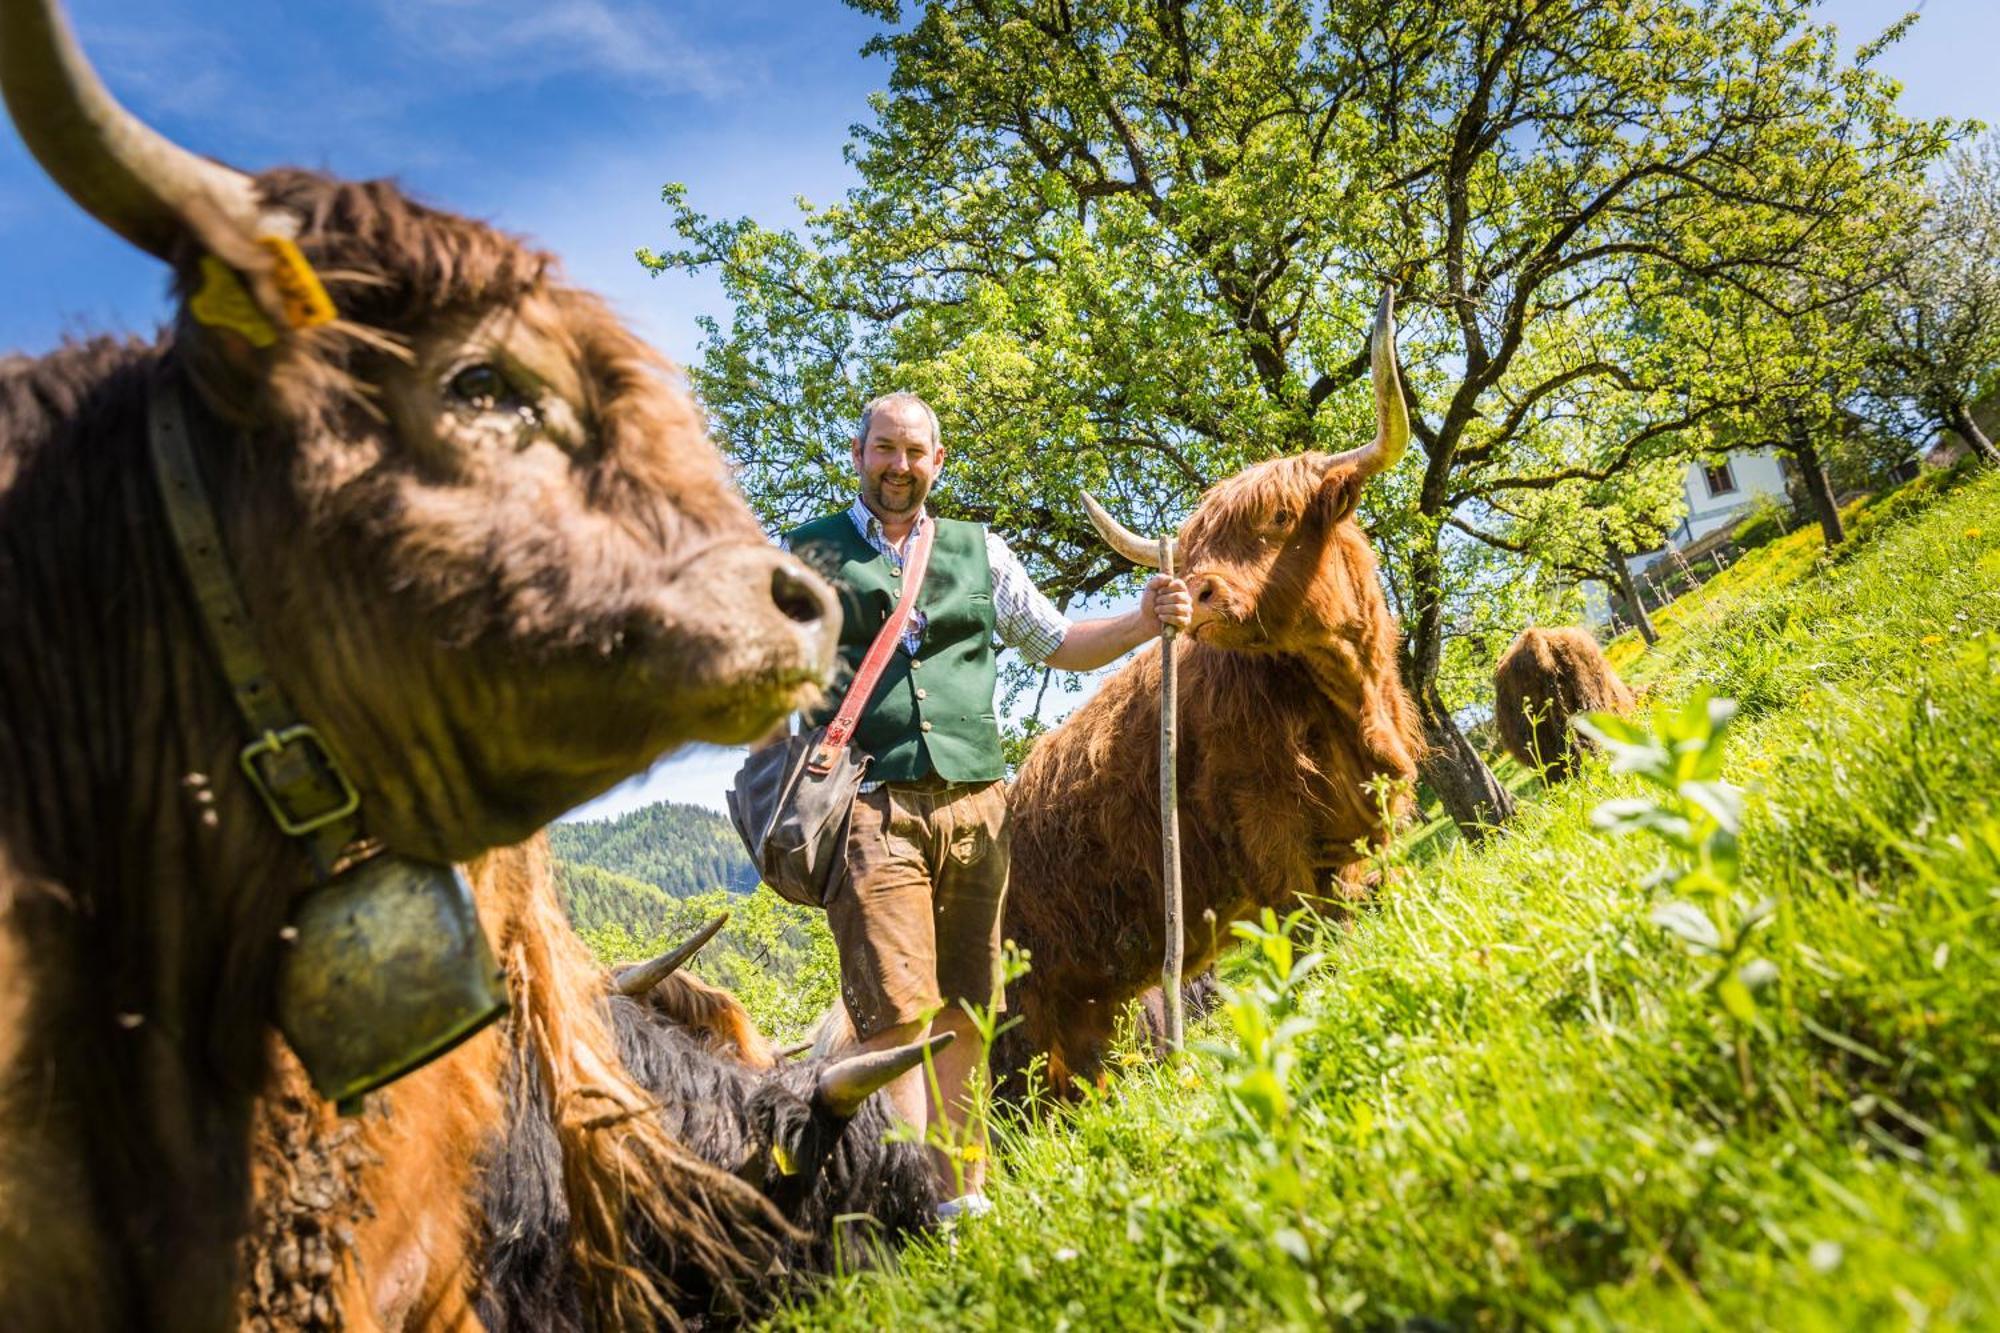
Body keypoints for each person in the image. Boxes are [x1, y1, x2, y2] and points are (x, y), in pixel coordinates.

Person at [787, 390, 1191, 1218]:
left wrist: (1146, 618)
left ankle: (960, 1202)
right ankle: (902, 1205)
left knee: (971, 1004)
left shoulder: (982, 553)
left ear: (938, 461)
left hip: (977, 809)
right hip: (871, 806)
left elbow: (1061, 644)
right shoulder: (805, 557)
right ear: (857, 452)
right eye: (885, 449)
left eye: (916, 453)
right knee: (895, 1012)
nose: (900, 466)